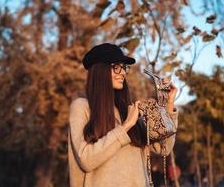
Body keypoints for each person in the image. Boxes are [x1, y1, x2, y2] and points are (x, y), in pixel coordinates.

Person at [68, 43, 178, 187]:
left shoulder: (129, 110)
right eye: (116, 67)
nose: (123, 72)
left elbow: (163, 148)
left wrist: (167, 104)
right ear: (100, 70)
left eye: (124, 67)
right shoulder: (81, 107)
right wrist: (125, 126)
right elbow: (86, 160)